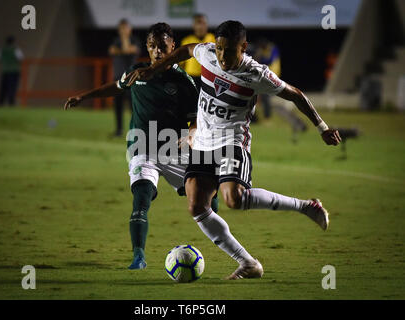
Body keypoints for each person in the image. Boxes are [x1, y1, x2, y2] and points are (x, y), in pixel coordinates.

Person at [125, 20, 342, 279]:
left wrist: (322, 127)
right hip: (204, 143)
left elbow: (296, 94)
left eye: (228, 51)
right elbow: (185, 51)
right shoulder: (207, 53)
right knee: (196, 205)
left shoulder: (256, 74)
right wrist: (155, 69)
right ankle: (248, 263)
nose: (221, 56)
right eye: (218, 49)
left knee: (233, 199)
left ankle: (306, 206)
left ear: (243, 47)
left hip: (232, 142)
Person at [64, 23, 218, 270]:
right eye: (152, 46)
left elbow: (196, 120)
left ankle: (225, 246)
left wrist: (191, 135)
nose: (157, 51)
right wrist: (84, 96)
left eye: (162, 46)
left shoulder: (184, 81)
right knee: (142, 197)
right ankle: (138, 256)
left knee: (208, 199)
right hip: (143, 146)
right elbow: (117, 86)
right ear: (147, 47)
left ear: (173, 47)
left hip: (175, 148)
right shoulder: (137, 72)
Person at [108, 19, 141, 136]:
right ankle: (119, 130)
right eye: (121, 28)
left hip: (130, 78)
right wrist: (121, 48)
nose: (123, 31)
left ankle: (137, 131)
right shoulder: (116, 41)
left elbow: (128, 49)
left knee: (133, 106)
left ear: (130, 29)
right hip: (117, 78)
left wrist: (123, 42)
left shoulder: (134, 40)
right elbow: (112, 50)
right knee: (118, 105)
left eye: (125, 28)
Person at [180, 13, 215, 89]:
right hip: (191, 77)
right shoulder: (187, 40)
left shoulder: (213, 39)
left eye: (203, 23)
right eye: (198, 23)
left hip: (209, 77)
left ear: (207, 25)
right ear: (193, 25)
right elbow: (181, 63)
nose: (200, 26)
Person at [253, 37, 281, 120]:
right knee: (261, 95)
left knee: (265, 96)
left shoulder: (273, 48)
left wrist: (260, 56)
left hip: (273, 75)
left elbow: (270, 60)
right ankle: (260, 116)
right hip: (265, 76)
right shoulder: (262, 50)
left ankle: (267, 117)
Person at [0, 36, 24, 106]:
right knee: (12, 88)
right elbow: (21, 58)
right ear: (13, 42)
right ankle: (11, 103)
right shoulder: (15, 49)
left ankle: (0, 103)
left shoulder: (2, 50)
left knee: (3, 88)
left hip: (5, 71)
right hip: (14, 71)